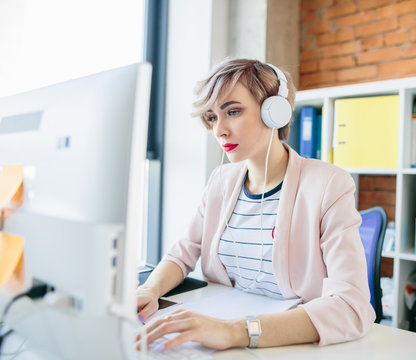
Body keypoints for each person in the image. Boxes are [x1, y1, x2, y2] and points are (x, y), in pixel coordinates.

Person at [136, 58, 375, 352]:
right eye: (212, 117)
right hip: (224, 342)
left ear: (275, 111)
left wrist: (234, 331)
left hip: (291, 346)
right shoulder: (221, 180)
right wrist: (149, 289)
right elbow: (182, 254)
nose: (219, 130)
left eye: (232, 112)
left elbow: (351, 308)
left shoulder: (328, 184)